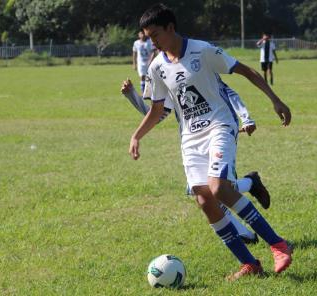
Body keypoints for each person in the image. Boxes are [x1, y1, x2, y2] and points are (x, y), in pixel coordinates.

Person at [130, 3, 292, 281]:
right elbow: (158, 110)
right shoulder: (157, 66)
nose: (152, 42)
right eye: (148, 36)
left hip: (220, 125)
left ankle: (278, 244)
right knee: (204, 199)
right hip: (190, 138)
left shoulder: (202, 50)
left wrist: (275, 100)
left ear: (171, 28)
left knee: (218, 188)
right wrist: (136, 135)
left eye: (155, 35)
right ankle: (250, 263)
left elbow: (247, 71)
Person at [121, 79, 271, 244]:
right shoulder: (161, 71)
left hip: (219, 131)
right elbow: (157, 114)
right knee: (204, 192)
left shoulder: (197, 59)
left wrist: (246, 117)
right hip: (194, 140)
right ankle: (249, 193)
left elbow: (228, 91)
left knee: (218, 188)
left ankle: (263, 237)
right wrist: (132, 95)